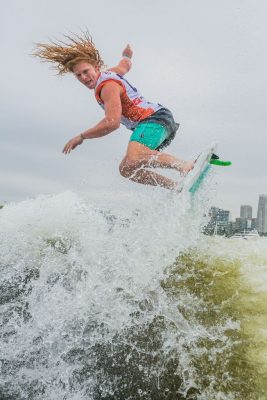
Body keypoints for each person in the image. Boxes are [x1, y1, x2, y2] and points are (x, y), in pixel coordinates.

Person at [34, 32, 194, 191]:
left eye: (86, 71)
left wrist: (82, 136)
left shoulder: (107, 87)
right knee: (126, 169)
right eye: (78, 75)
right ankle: (176, 188)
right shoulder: (111, 72)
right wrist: (127, 56)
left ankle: (184, 166)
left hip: (154, 120)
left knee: (134, 158)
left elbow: (112, 122)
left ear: (96, 67)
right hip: (161, 123)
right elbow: (125, 65)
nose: (83, 78)